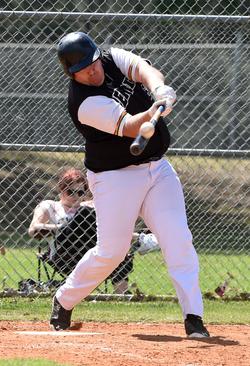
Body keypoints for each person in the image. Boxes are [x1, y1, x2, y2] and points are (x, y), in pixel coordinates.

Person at [50, 32, 209, 338]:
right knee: (112, 251)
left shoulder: (110, 58)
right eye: (83, 69)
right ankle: (64, 298)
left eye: (93, 63)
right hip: (114, 176)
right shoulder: (83, 103)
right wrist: (152, 112)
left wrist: (160, 90)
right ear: (72, 73)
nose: (92, 70)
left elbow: (144, 70)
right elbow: (130, 126)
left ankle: (194, 317)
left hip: (157, 169)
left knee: (177, 237)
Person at [27, 167, 159, 294]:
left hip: (93, 249)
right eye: (70, 192)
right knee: (85, 212)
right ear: (61, 190)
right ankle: (140, 238)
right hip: (64, 253)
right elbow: (33, 229)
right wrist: (62, 228)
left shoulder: (89, 206)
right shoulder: (50, 206)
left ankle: (122, 294)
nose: (75, 196)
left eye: (80, 192)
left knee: (116, 249)